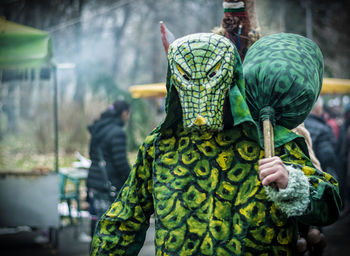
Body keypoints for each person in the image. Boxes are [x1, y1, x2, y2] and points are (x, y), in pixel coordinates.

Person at [90, 33, 341, 255]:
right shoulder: (160, 146)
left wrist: (292, 183)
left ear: (233, 77)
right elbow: (124, 219)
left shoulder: (270, 142)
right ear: (174, 80)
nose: (200, 87)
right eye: (187, 75)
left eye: (212, 73)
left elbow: (330, 205)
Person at [86, 100, 131, 237]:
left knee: (99, 225)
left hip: (95, 182)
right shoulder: (117, 133)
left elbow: (92, 154)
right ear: (124, 113)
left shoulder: (98, 128)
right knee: (109, 230)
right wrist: (132, 180)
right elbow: (121, 164)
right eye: (128, 114)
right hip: (109, 185)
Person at [304, 97, 339, 180]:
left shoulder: (297, 125)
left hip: (301, 173)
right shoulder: (323, 129)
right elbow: (328, 158)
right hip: (318, 176)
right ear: (319, 108)